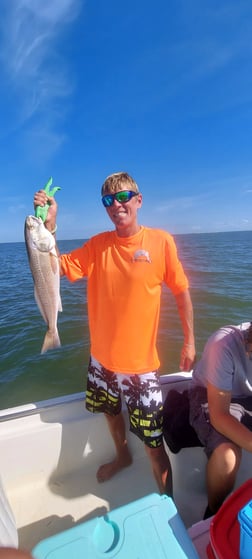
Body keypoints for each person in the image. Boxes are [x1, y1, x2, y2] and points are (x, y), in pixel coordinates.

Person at [34, 171, 195, 496]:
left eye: (123, 197)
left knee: (153, 443)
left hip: (141, 368)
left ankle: (168, 508)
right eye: (108, 200)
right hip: (101, 362)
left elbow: (181, 292)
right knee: (110, 413)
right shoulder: (98, 245)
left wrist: (190, 340)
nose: (116, 204)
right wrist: (49, 224)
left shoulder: (161, 242)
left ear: (138, 200)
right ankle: (122, 456)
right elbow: (58, 268)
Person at [189, 321, 252, 518]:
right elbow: (220, 416)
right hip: (214, 396)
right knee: (228, 457)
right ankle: (213, 512)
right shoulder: (223, 344)